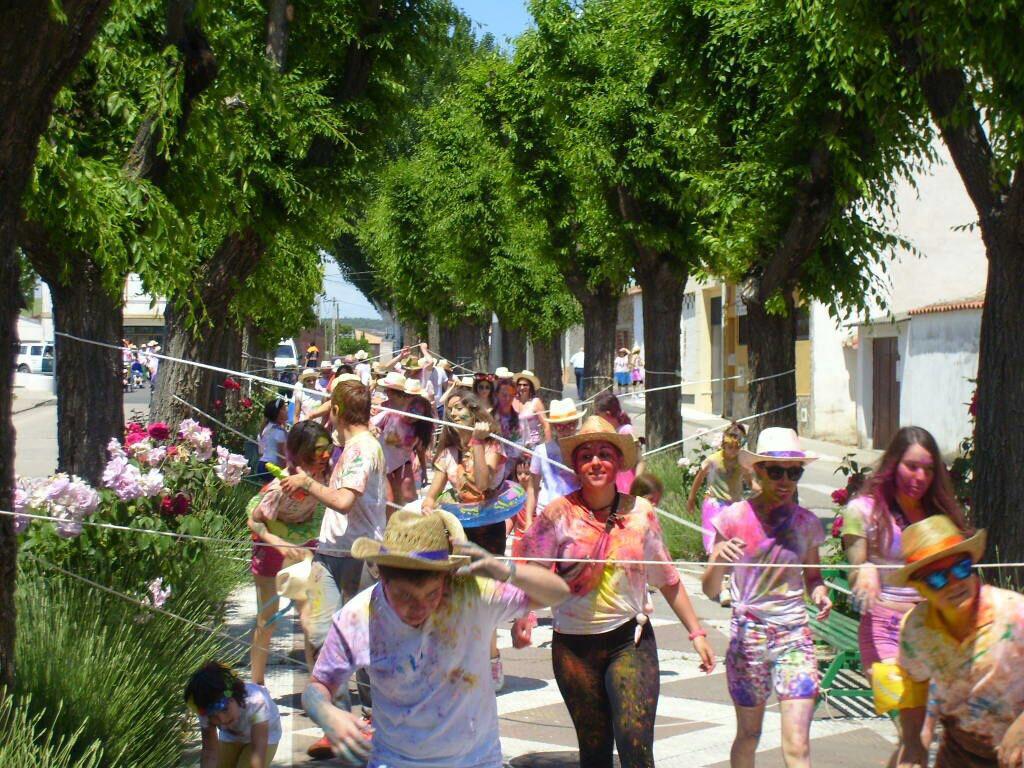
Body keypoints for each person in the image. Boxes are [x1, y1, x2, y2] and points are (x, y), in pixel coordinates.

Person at [517, 416, 715, 768]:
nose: (596, 462)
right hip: (574, 647)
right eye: (586, 456)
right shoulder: (557, 514)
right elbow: (531, 572)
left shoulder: (641, 513)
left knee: (635, 746)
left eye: (605, 454)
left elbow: (668, 578)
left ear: (618, 462)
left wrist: (696, 633)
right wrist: (523, 616)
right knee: (594, 754)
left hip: (630, 641)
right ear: (576, 465)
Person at [301, 508, 570, 767]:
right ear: (383, 578)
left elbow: (557, 594)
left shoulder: (470, 593)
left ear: (446, 578)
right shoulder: (359, 616)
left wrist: (504, 569)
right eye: (405, 596)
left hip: (476, 760)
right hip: (394, 760)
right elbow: (317, 687)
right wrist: (326, 713)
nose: (419, 607)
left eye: (431, 594)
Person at [702, 427, 831, 768]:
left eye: (794, 472)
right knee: (749, 734)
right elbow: (710, 589)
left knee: (798, 744)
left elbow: (813, 577)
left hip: (794, 637)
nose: (785, 481)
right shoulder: (733, 518)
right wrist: (719, 560)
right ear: (758, 471)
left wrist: (820, 593)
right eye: (775, 471)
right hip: (749, 637)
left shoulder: (807, 524)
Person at [841, 426, 969, 765]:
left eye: (928, 469)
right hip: (883, 630)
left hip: (931, 630)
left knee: (916, 738)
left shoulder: (937, 515)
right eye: (912, 466)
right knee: (914, 733)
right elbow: (855, 569)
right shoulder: (862, 511)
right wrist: (864, 570)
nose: (920, 477)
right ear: (893, 464)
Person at [892, 515, 1024, 768]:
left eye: (961, 568)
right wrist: (912, 741)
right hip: (961, 752)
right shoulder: (916, 628)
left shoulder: (1014, 613)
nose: (954, 583)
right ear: (919, 588)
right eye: (937, 578)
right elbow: (914, 686)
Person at [421, 391, 509, 689]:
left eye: (460, 408)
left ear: (473, 412)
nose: (454, 414)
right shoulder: (447, 454)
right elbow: (432, 494)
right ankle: (461, 660)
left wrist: (478, 444)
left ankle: (492, 658)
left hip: (488, 529)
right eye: (450, 409)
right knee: (457, 596)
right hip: (460, 530)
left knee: (486, 596)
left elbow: (483, 484)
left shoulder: (492, 445)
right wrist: (428, 505)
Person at [246, 421, 332, 684]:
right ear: (300, 453)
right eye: (318, 451)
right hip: (272, 553)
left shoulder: (322, 477)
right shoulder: (280, 487)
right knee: (267, 620)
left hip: (303, 550)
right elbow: (254, 520)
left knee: (311, 618)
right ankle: (257, 685)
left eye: (328, 450)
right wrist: (276, 542)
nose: (325, 456)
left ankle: (316, 684)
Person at [186, 661, 281, 768]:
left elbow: (258, 754)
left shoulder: (256, 703)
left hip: (266, 735)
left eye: (225, 709)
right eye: (213, 716)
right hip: (232, 734)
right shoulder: (205, 709)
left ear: (235, 694)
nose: (222, 719)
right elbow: (209, 752)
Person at [687, 422, 751, 554]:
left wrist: (759, 491)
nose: (733, 451)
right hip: (715, 503)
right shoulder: (713, 460)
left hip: (734, 505)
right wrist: (691, 498)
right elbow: (699, 477)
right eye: (730, 447)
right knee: (714, 543)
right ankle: (713, 559)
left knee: (734, 543)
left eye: (737, 447)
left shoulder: (741, 461)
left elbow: (750, 480)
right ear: (723, 445)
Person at [522, 398, 582, 536]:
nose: (566, 430)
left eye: (570, 425)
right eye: (561, 426)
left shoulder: (582, 451)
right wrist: (528, 519)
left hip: (575, 514)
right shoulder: (541, 450)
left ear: (576, 424)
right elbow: (533, 487)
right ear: (554, 427)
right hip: (546, 513)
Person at [370, 371, 419, 505]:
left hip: (402, 457)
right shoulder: (384, 408)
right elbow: (370, 423)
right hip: (385, 457)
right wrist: (374, 428)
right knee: (390, 498)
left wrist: (416, 455)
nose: (386, 392)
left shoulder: (412, 412)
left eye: (388, 390)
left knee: (406, 495)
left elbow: (418, 435)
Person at [593, 392, 646, 494]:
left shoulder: (626, 431)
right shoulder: (607, 432)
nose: (597, 418)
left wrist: (636, 485)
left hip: (626, 484)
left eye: (598, 415)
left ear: (607, 414)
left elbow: (639, 461)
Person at [514, 370, 549, 451]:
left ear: (531, 387)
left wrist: (548, 446)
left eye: (525, 385)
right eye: (519, 385)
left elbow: (546, 425)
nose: (522, 387)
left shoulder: (536, 402)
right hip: (516, 445)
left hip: (533, 445)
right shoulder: (514, 401)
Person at [256, 399, 288, 478]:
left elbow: (260, 451)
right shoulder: (279, 432)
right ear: (278, 413)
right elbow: (281, 456)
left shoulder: (266, 428)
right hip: (272, 467)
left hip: (262, 464)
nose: (287, 411)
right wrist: (285, 473)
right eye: (284, 409)